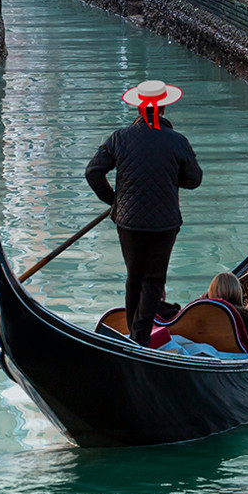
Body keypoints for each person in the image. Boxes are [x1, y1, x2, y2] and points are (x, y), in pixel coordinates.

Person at [86, 80, 203, 348]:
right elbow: (194, 179)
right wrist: (170, 177)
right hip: (164, 223)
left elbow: (93, 172)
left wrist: (114, 201)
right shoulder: (177, 141)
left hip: (128, 222)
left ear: (140, 108)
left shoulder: (120, 138)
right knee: (153, 280)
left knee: (134, 278)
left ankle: (133, 334)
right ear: (162, 108)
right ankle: (139, 340)